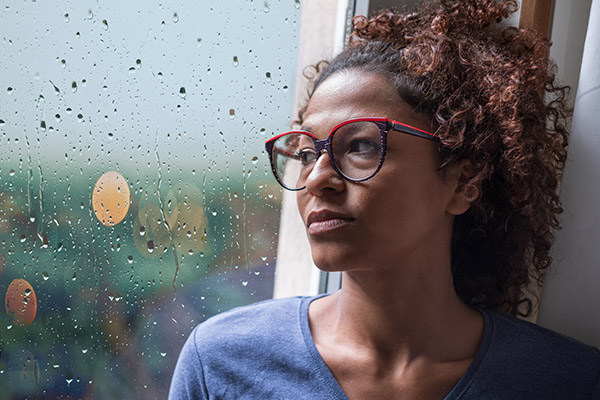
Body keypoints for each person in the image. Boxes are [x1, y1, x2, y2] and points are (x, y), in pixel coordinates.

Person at [169, 0, 600, 398]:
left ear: (463, 181)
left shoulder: (569, 381)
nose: (318, 179)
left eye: (360, 146)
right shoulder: (220, 365)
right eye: (304, 153)